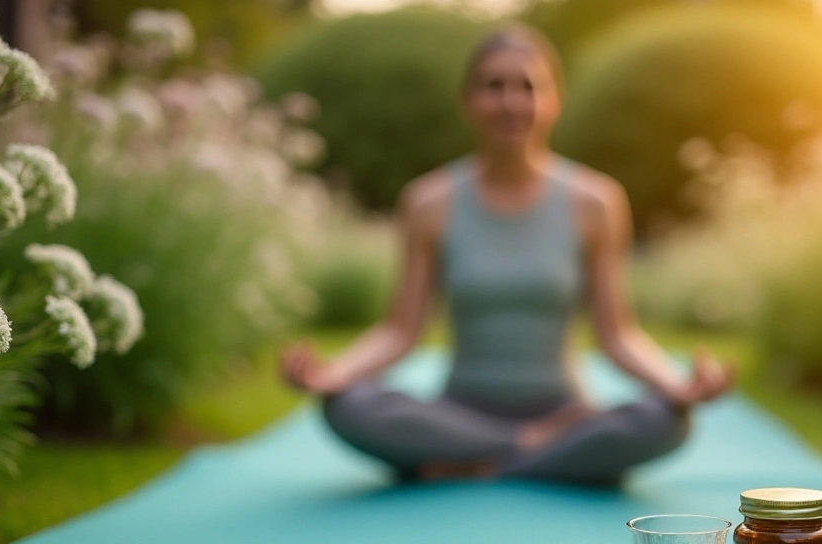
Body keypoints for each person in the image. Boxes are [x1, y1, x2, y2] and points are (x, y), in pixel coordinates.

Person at [280, 24, 733, 488]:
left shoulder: (596, 202)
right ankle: (540, 453)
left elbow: (618, 334)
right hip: (458, 414)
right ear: (468, 102)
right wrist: (333, 374)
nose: (511, 102)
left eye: (529, 87)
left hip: (563, 412)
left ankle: (471, 462)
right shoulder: (428, 202)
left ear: (554, 102)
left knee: (669, 419)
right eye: (494, 86)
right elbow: (399, 331)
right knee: (347, 406)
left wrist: (677, 386)